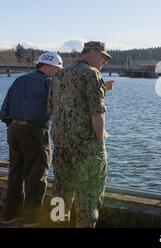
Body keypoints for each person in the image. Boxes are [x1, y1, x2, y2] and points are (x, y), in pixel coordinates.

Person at [48, 41, 114, 228]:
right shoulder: (92, 74)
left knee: (61, 189)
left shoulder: (60, 74)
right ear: (92, 53)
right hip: (86, 147)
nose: (104, 62)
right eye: (103, 58)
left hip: (61, 144)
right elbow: (97, 113)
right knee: (89, 194)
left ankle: (56, 224)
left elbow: (51, 110)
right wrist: (100, 143)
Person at [0, 52, 63, 227]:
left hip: (13, 129)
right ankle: (31, 219)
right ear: (49, 67)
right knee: (36, 176)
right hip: (35, 131)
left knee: (15, 173)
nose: (58, 73)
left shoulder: (19, 81)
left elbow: (3, 111)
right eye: (58, 69)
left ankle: (9, 215)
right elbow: (61, 107)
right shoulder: (48, 83)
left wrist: (15, 124)